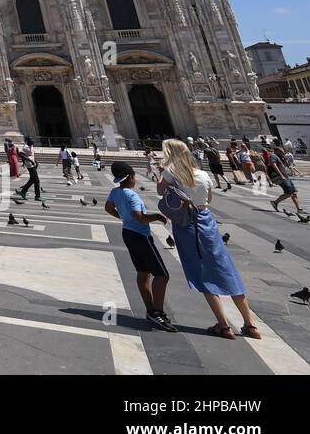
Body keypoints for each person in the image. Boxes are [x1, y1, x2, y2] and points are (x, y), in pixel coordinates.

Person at [156, 138, 262, 340]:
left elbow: (160, 191)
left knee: (202, 271)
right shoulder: (203, 174)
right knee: (224, 267)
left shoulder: (171, 172)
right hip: (207, 220)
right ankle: (250, 325)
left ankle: (223, 326)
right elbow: (209, 199)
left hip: (187, 223)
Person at [104, 161, 176, 332]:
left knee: (143, 273)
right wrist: (157, 217)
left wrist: (123, 217)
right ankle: (157, 312)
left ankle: (150, 310)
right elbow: (140, 217)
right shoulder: (132, 195)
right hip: (140, 236)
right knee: (162, 275)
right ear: (131, 177)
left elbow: (108, 208)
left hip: (128, 233)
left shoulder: (116, 191)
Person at [16, 136, 41, 200]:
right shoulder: (25, 147)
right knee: (36, 181)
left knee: (32, 179)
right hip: (29, 165)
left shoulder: (31, 145)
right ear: (27, 141)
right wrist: (30, 160)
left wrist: (35, 161)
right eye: (31, 140)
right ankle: (37, 196)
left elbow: (31, 154)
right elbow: (20, 154)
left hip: (33, 164)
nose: (33, 141)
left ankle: (23, 191)